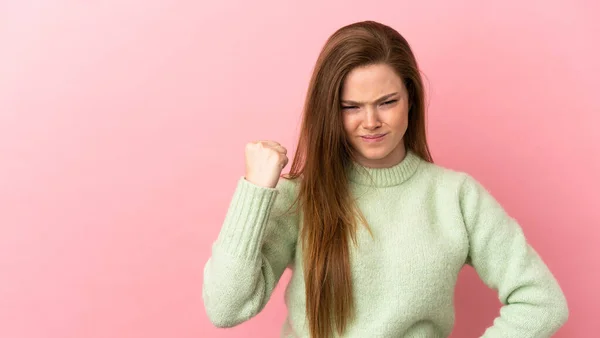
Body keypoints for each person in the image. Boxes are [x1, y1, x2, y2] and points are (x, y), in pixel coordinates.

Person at [202, 20, 569, 338]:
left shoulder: (455, 197)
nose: (371, 121)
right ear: (330, 110)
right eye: (351, 107)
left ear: (411, 98)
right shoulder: (300, 196)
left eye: (387, 101)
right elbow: (225, 308)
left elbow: (542, 301)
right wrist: (255, 190)